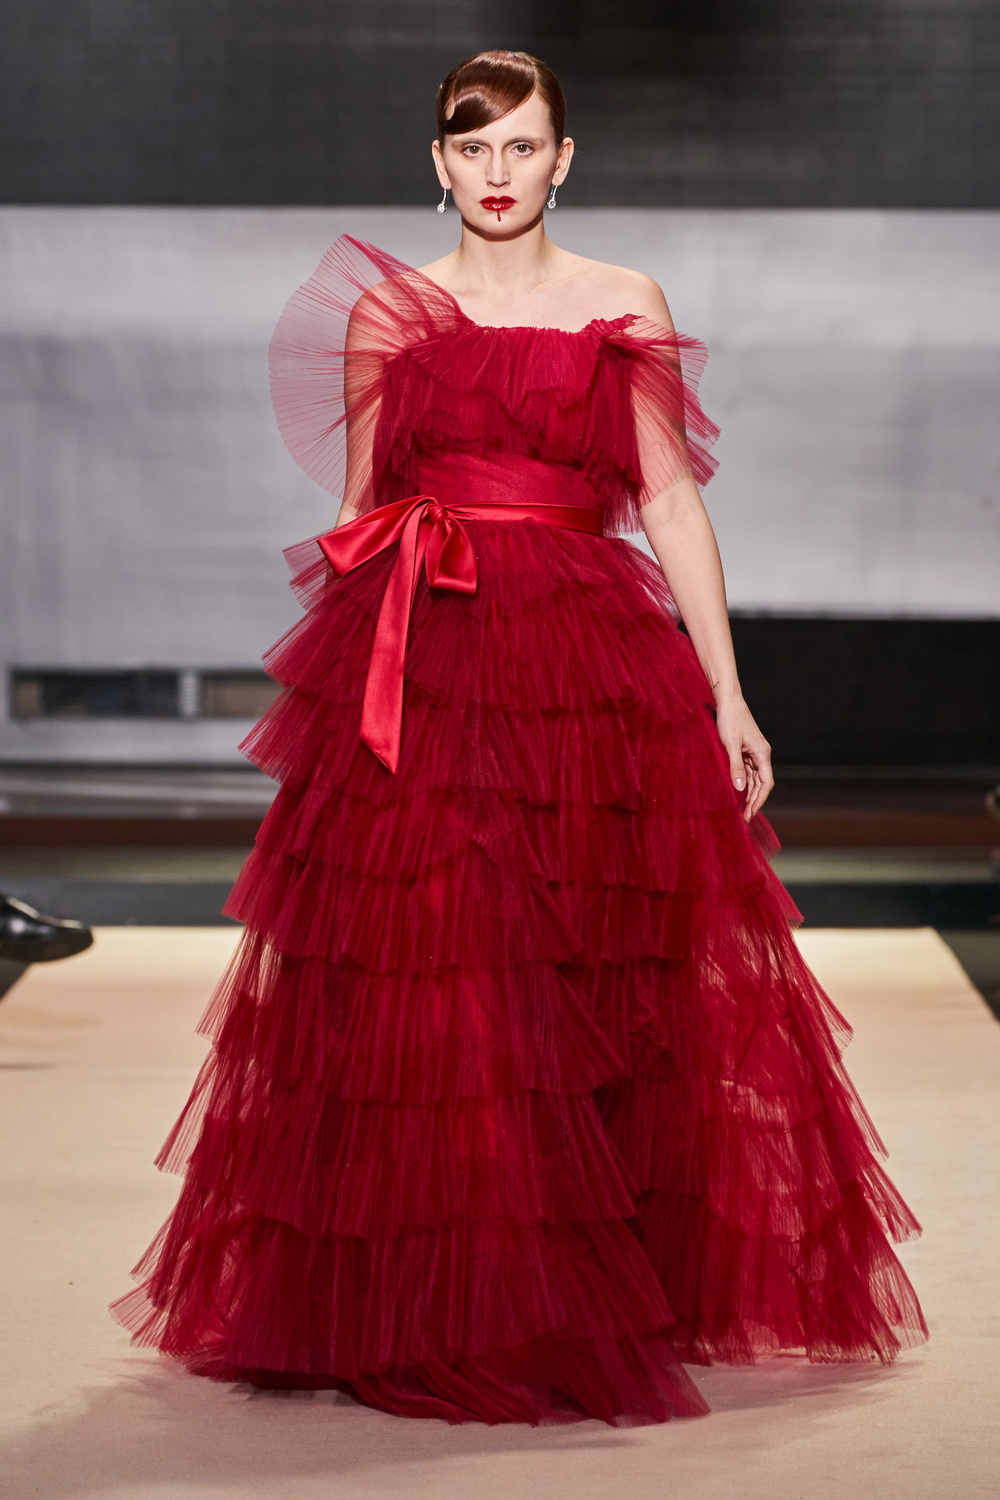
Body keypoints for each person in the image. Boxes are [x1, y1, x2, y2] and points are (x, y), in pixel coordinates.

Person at [111, 50, 927, 1425]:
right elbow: (364, 509)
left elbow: (670, 502)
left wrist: (728, 693)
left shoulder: (624, 302)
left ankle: (589, 1280)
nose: (497, 172)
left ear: (565, 158)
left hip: (589, 666)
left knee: (594, 965)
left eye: (522, 146)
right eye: (471, 146)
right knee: (448, 975)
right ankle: (448, 1298)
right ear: (438, 163)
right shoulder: (392, 310)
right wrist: (344, 701)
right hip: (428, 661)